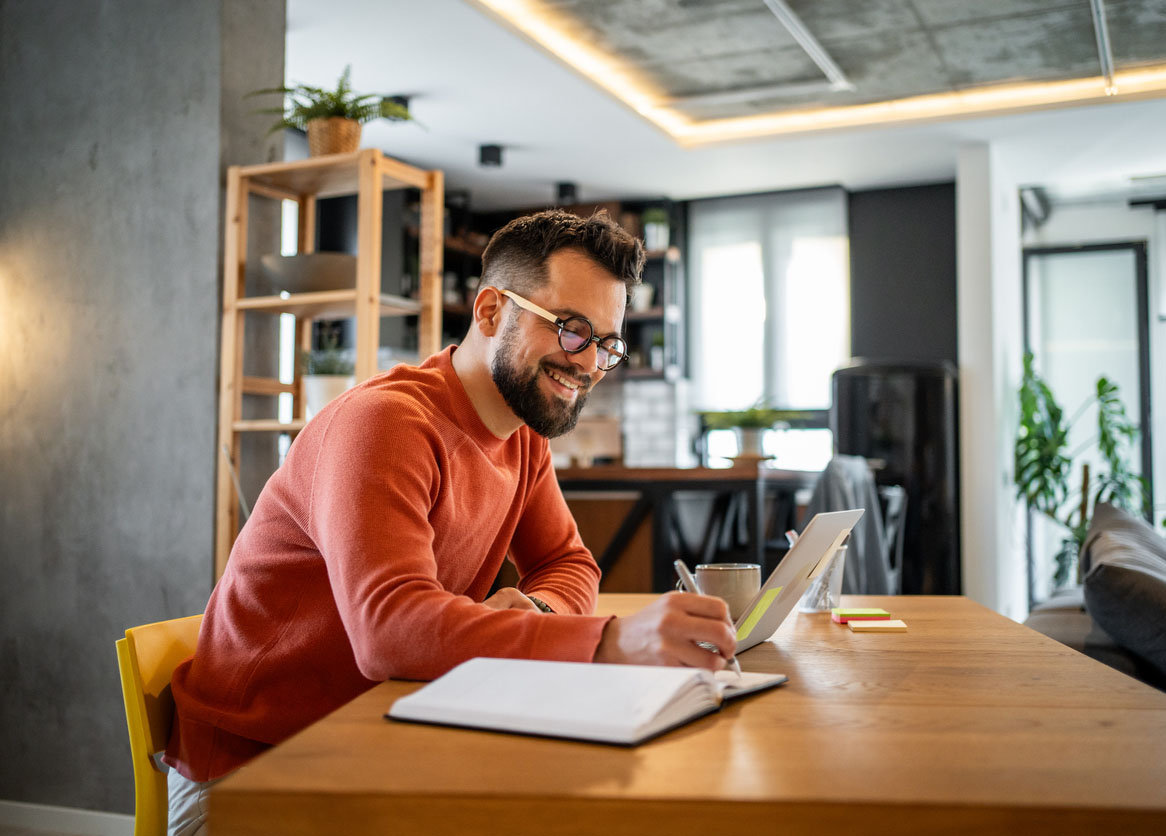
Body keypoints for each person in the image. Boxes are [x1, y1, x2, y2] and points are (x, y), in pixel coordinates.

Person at [162, 209, 736, 835]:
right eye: (572, 330)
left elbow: (567, 564)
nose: (590, 364)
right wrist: (610, 642)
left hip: (386, 732)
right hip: (254, 771)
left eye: (607, 343)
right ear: (490, 311)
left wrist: (539, 614)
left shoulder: (522, 434)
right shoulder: (384, 424)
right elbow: (388, 630)